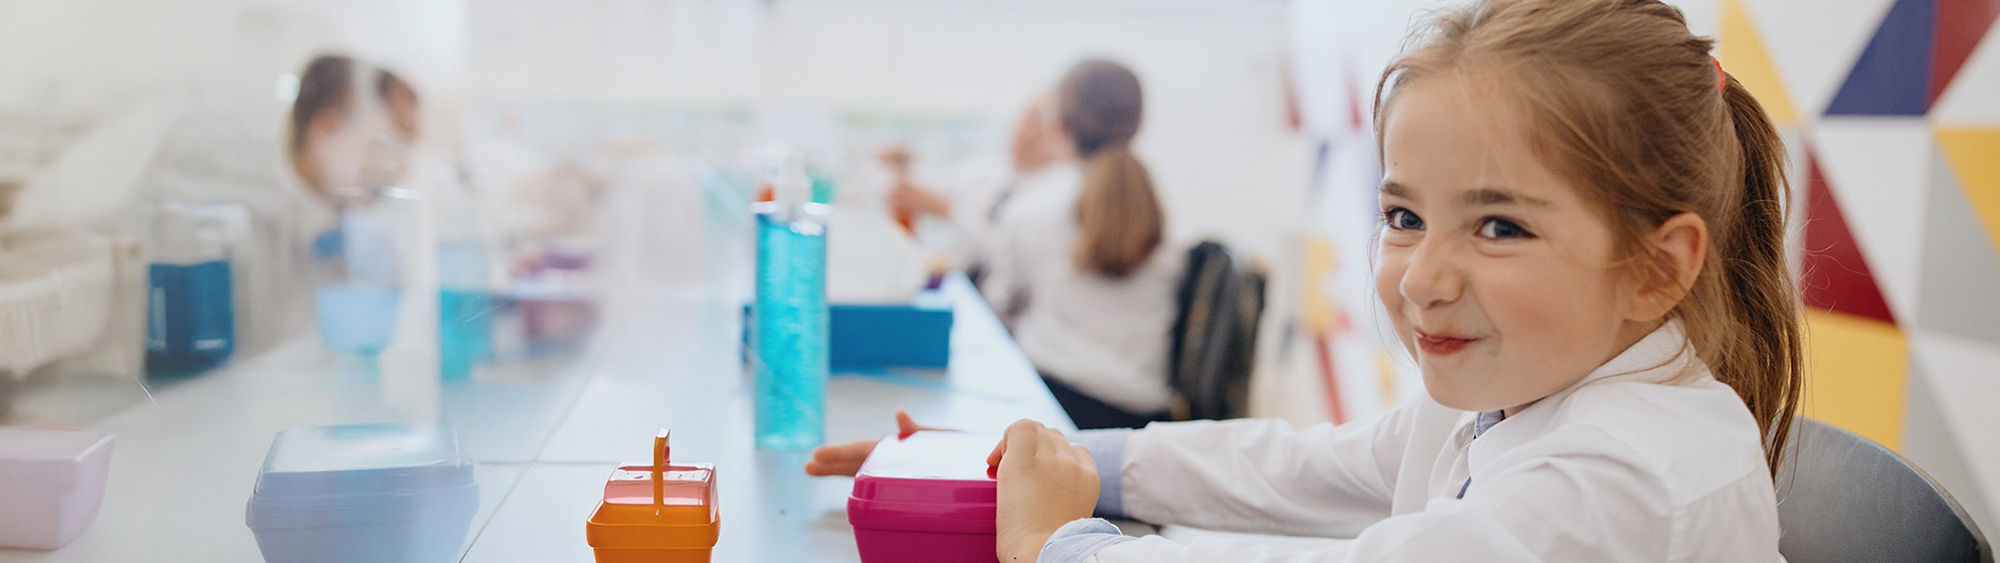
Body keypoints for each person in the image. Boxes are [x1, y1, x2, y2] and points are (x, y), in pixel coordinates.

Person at [811, 0, 1804, 560]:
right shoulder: (1512, 390)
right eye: (1403, 217)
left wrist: (1059, 542)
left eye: (1498, 225)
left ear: (1656, 266)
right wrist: (1039, 461)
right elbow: (1302, 466)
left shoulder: (1615, 482)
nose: (1420, 277)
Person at [987, 59, 1184, 430]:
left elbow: (999, 307)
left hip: (1053, 414)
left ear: (1059, 125)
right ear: (1136, 124)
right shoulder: (1158, 214)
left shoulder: (1030, 209)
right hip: (1143, 420)